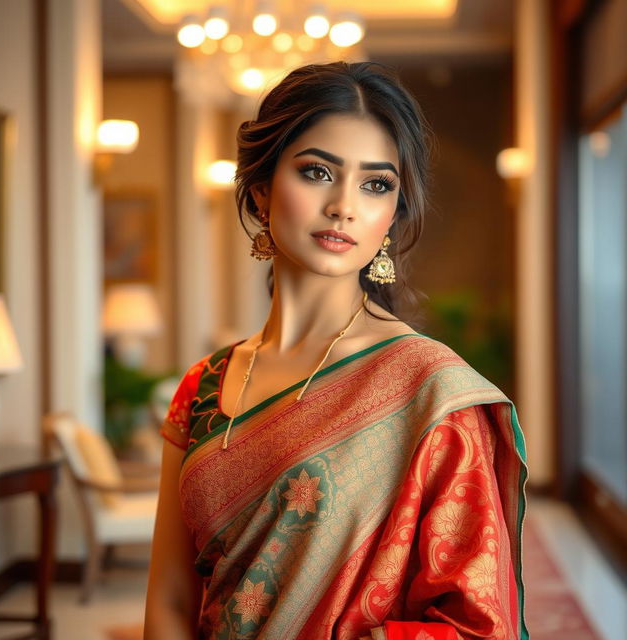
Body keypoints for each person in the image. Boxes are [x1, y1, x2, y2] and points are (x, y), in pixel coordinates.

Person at [144, 61, 529, 640]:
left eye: (376, 184)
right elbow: (170, 600)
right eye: (317, 171)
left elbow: (477, 625)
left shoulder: (431, 390)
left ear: (393, 217)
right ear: (261, 188)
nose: (344, 205)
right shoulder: (204, 385)